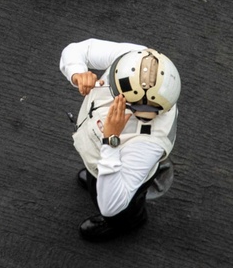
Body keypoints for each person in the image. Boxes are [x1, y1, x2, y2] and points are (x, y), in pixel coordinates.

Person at [59, 38, 180, 241]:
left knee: (122, 209)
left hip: (118, 161)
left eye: (151, 109)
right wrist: (77, 73)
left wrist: (111, 139)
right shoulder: (136, 59)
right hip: (102, 156)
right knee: (96, 180)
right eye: (135, 106)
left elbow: (111, 206)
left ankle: (130, 222)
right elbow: (79, 50)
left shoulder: (149, 143)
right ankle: (95, 178)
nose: (143, 112)